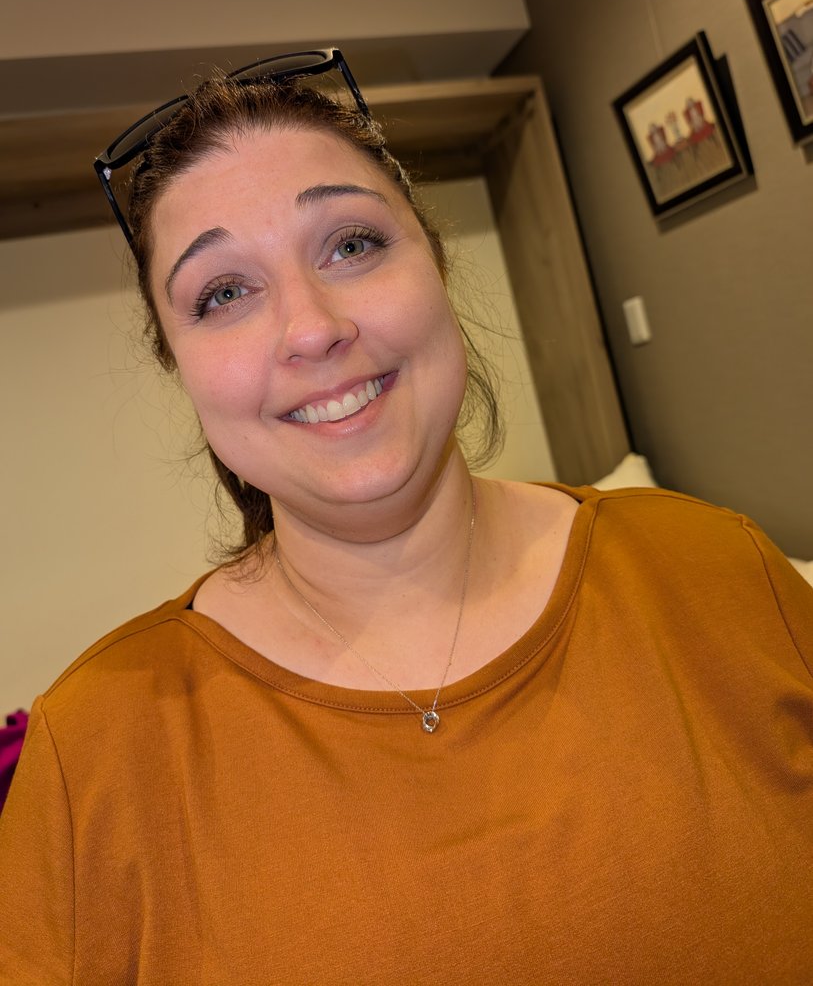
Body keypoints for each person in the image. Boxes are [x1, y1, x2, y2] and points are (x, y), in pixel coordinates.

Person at [0, 48, 811, 986]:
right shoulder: (89, 755)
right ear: (178, 367)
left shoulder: (715, 566)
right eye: (223, 292)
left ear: (434, 263)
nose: (311, 328)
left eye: (351, 244)